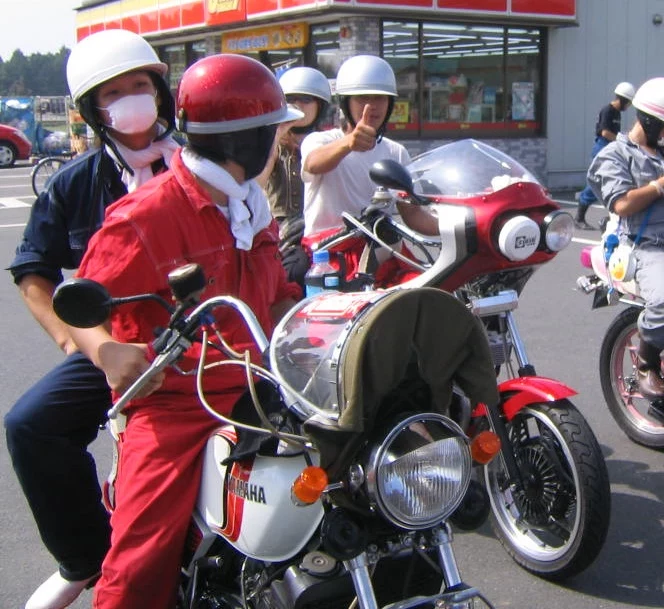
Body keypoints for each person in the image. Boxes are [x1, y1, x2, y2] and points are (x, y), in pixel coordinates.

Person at [65, 53, 303, 609]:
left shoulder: (250, 209)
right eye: (274, 132)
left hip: (263, 386)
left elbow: (277, 295)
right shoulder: (145, 215)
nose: (279, 143)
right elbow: (82, 302)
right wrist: (107, 351)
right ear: (250, 141)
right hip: (177, 403)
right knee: (139, 559)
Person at [4, 29, 179, 609]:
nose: (132, 100)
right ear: (91, 110)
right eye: (114, 92)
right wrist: (83, 345)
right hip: (117, 347)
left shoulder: (201, 167)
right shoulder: (73, 184)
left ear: (162, 92)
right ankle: (87, 557)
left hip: (206, 341)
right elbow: (33, 270)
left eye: (141, 86)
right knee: (31, 425)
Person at [587, 77, 664, 399]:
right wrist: (661, 184)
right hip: (650, 246)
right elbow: (621, 203)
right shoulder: (615, 155)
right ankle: (647, 361)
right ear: (649, 120)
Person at [300, 54, 436, 284]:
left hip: (383, 252)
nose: (372, 106)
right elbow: (314, 163)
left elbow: (413, 215)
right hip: (331, 256)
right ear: (345, 102)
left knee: (430, 295)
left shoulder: (396, 152)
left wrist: (468, 225)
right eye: (363, 97)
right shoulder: (320, 141)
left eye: (380, 98)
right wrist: (349, 143)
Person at [258, 66, 333, 285]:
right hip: (279, 231)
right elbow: (258, 181)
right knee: (293, 270)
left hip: (321, 229)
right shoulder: (271, 144)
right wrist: (277, 133)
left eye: (306, 99)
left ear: (320, 105)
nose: (298, 105)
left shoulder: (328, 144)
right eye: (291, 99)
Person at [576, 81, 635, 229]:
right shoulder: (607, 111)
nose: (628, 107)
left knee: (611, 183)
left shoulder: (616, 113)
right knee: (597, 182)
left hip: (610, 148)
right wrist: (620, 139)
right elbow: (605, 132)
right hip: (602, 147)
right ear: (622, 99)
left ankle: (610, 219)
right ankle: (579, 217)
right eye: (628, 103)